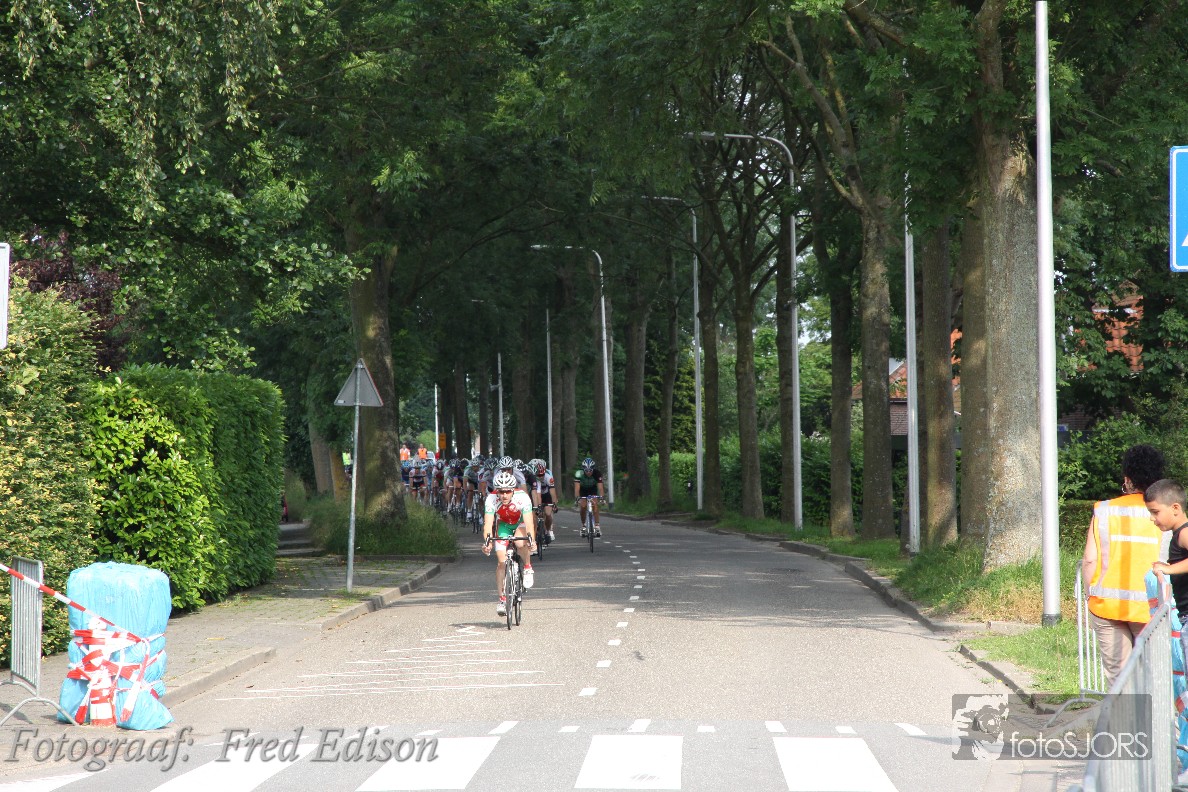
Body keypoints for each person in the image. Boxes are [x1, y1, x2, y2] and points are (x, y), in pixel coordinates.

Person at [1082, 443, 1166, 685]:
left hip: (1107, 607)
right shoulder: (1166, 513)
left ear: (1127, 480)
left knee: (1120, 680)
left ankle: (1124, 712)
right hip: (1151, 609)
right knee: (1152, 678)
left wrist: (1090, 595)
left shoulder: (1104, 511)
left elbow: (1090, 560)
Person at [482, 470, 536, 616]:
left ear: (513, 490)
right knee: (501, 562)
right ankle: (502, 599)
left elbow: (529, 523)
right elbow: (488, 525)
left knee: (519, 542)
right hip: (504, 526)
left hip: (520, 524)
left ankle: (527, 567)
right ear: (497, 491)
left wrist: (532, 540)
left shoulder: (522, 497)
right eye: (501, 491)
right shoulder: (491, 499)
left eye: (507, 491)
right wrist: (487, 542)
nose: (504, 495)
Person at [1148, 480, 1188, 644]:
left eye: (1155, 512)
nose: (1152, 518)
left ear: (1175, 508)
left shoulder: (1184, 533)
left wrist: (1169, 569)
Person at [574, 456, 605, 538]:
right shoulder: (579, 473)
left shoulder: (597, 473)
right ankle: (583, 525)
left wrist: (602, 497)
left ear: (593, 469)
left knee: (595, 504)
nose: (588, 472)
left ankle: (597, 526)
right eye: (586, 471)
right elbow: (577, 488)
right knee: (583, 506)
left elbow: (600, 487)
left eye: (590, 470)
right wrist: (577, 498)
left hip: (592, 489)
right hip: (583, 490)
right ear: (583, 469)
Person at [533, 459, 557, 543]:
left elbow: (553, 492)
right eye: (538, 475)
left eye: (542, 475)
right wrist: (538, 506)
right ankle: (538, 531)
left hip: (547, 495)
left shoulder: (548, 477)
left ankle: (548, 530)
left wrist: (554, 504)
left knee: (548, 514)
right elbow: (537, 495)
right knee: (538, 513)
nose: (540, 477)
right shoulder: (535, 480)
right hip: (537, 495)